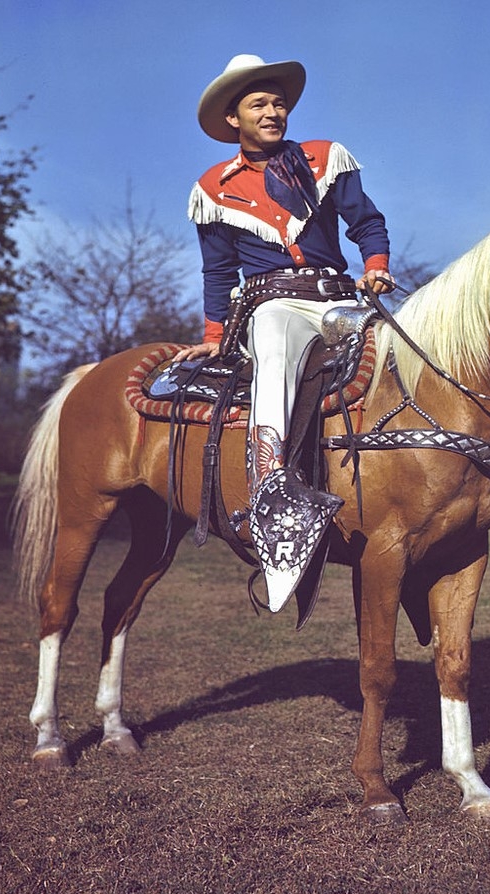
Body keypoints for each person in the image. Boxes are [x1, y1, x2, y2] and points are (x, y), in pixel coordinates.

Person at [174, 54, 393, 613]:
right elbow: (218, 269)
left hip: (340, 293)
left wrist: (375, 263)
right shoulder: (213, 188)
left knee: (401, 348)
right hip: (272, 302)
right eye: (259, 105)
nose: (273, 112)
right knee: (272, 356)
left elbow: (365, 220)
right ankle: (277, 507)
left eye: (278, 103)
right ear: (232, 120)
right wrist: (215, 330)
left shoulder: (323, 159)